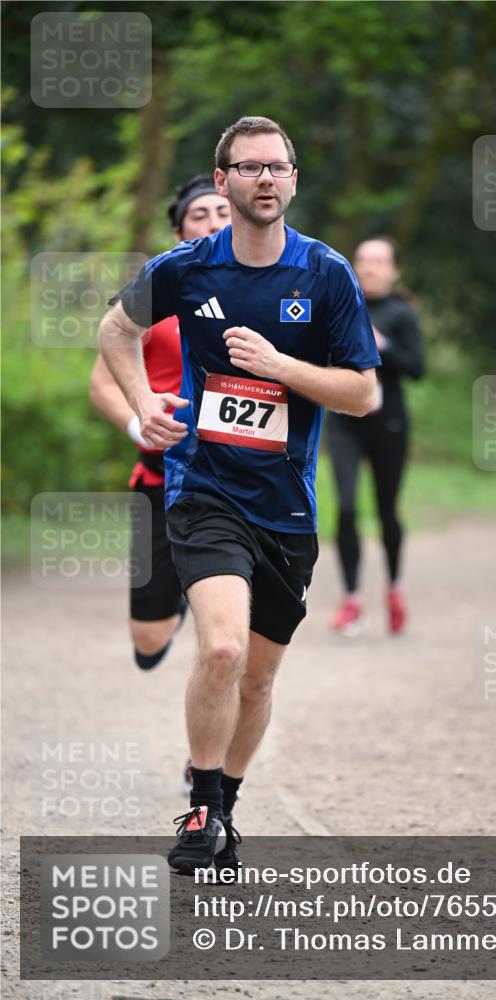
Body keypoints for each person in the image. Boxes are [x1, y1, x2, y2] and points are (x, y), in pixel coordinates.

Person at [99, 116, 380, 875]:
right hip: (204, 487)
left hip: (286, 505)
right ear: (221, 180)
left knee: (257, 677)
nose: (265, 179)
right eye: (248, 167)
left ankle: (224, 803)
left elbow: (361, 394)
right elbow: (114, 331)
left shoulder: (325, 275)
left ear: (293, 180)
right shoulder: (185, 268)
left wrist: (282, 366)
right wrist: (144, 409)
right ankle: (199, 809)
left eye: (277, 167)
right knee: (220, 647)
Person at [90, 176, 231, 671]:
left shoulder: (270, 288)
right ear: (178, 232)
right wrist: (140, 424)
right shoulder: (154, 295)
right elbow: (101, 385)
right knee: (148, 645)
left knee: (230, 639)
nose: (213, 221)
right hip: (162, 476)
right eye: (200, 215)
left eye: (222, 212)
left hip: (241, 478)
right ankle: (179, 600)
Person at [327, 237, 424, 635]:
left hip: (389, 424)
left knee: (387, 511)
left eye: (380, 261)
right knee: (346, 507)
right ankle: (352, 600)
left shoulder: (402, 313)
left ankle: (394, 590)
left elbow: (417, 368)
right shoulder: (340, 305)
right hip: (344, 420)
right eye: (364, 260)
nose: (370, 268)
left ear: (394, 270)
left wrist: (380, 345)